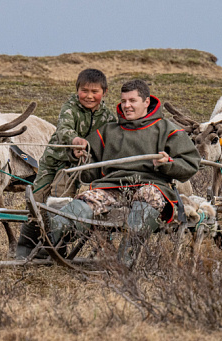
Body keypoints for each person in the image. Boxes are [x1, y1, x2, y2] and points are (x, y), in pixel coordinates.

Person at [48, 79, 201, 246]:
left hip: (152, 187)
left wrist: (167, 163)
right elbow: (89, 173)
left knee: (148, 195)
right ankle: (51, 248)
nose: (126, 105)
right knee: (80, 205)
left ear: (146, 102)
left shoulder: (167, 129)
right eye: (123, 101)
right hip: (111, 188)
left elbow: (191, 163)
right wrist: (79, 157)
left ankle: (126, 258)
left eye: (132, 101)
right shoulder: (108, 131)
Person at [15, 68, 116, 259]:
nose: (89, 96)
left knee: (60, 202)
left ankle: (55, 247)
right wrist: (75, 140)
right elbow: (64, 129)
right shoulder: (69, 108)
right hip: (52, 161)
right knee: (36, 201)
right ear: (77, 89)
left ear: (104, 92)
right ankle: (25, 246)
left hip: (74, 167)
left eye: (95, 92)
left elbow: (111, 139)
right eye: (84, 91)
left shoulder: (108, 118)